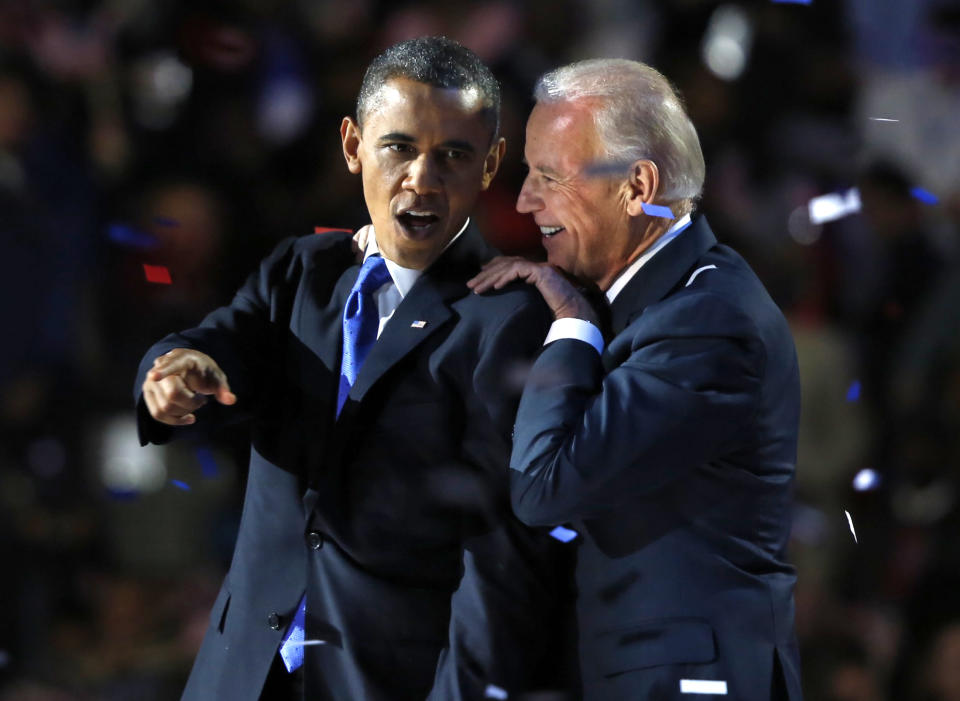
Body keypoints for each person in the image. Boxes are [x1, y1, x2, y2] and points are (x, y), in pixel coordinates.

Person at [136, 37, 576, 701]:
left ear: (490, 166)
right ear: (353, 145)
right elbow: (226, 342)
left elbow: (502, 550)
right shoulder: (300, 272)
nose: (421, 179)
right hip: (244, 672)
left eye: (453, 155)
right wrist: (174, 367)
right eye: (399, 146)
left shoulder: (510, 319)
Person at [470, 58, 803, 700]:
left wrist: (570, 322)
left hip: (692, 682)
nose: (523, 201)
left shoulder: (705, 319)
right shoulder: (667, 300)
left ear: (636, 185)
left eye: (548, 176)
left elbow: (544, 486)